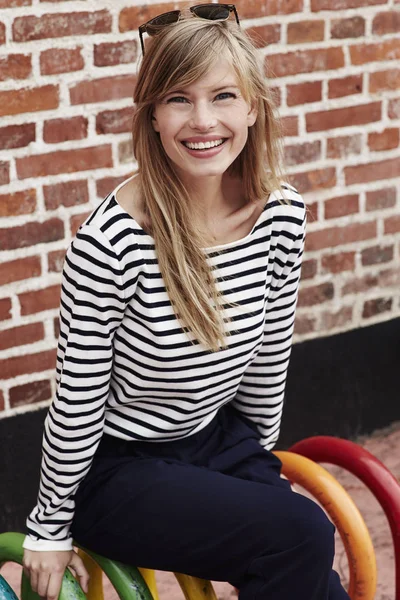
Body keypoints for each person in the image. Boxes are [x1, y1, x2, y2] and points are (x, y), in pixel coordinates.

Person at [22, 5, 350, 600]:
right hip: (121, 469)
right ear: (150, 116)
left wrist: (258, 467)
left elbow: (270, 353)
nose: (203, 121)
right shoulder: (112, 243)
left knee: (312, 573)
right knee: (302, 532)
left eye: (223, 95)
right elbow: (78, 394)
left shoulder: (280, 214)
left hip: (217, 439)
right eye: (178, 98)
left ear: (253, 105)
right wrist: (48, 526)